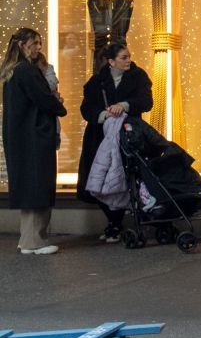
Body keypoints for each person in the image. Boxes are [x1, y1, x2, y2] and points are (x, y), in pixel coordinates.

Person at [77, 41, 152, 240]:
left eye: (128, 56)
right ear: (111, 61)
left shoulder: (138, 76)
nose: (129, 60)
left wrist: (125, 105)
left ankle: (131, 220)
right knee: (102, 177)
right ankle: (113, 222)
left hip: (129, 134)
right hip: (100, 135)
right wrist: (103, 115)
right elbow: (86, 108)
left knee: (128, 175)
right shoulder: (97, 81)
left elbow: (146, 101)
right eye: (123, 58)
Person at [3, 27, 65, 255]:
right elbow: (44, 99)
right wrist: (58, 104)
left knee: (29, 187)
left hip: (21, 137)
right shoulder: (27, 71)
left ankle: (27, 239)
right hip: (34, 137)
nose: (39, 48)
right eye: (35, 43)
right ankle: (35, 241)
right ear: (23, 45)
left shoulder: (13, 72)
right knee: (39, 185)